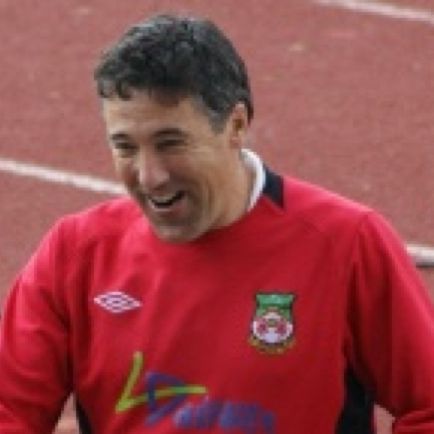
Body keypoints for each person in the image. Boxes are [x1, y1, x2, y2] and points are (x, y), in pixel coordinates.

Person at [0, 13, 433, 434]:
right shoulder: (76, 253)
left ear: (236, 125)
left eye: (170, 143)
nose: (149, 176)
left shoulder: (348, 245)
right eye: (125, 147)